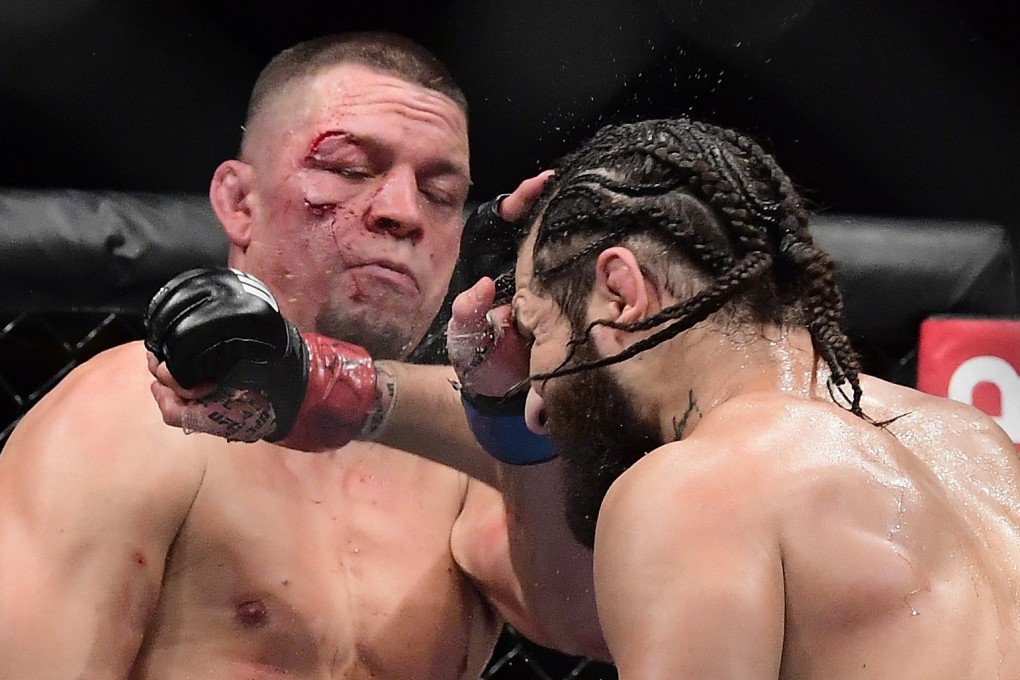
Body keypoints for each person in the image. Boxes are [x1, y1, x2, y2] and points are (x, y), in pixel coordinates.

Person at [0, 32, 605, 679]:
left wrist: (520, 387)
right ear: (240, 203)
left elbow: (588, 625)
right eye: (349, 169)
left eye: (440, 194)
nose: (403, 212)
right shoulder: (125, 418)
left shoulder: (464, 455)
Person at [496, 116, 1020, 677]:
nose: (535, 406)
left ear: (620, 293)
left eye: (535, 332)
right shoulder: (977, 444)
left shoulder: (694, 489)